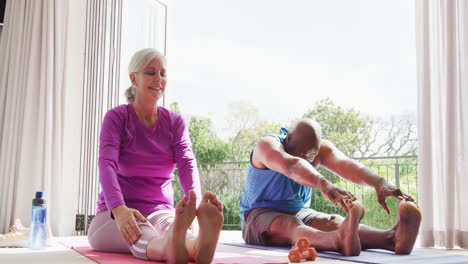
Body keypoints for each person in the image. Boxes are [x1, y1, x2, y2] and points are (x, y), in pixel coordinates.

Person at [87, 48, 223, 264]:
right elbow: (107, 164)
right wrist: (119, 209)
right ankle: (183, 248)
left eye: (163, 73)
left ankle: (190, 246)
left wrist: (193, 203)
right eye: (151, 72)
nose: (158, 79)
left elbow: (187, 163)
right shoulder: (117, 118)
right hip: (116, 212)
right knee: (146, 233)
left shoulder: (174, 122)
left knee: (170, 228)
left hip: (160, 210)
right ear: (134, 78)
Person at [239, 119, 421, 256]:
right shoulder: (267, 146)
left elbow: (346, 164)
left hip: (299, 211)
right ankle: (337, 241)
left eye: (310, 156)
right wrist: (323, 183)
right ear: (288, 138)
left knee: (335, 222)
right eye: (301, 154)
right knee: (290, 224)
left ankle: (391, 239)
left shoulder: (319, 150)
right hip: (257, 215)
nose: (307, 159)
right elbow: (292, 166)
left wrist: (378, 182)